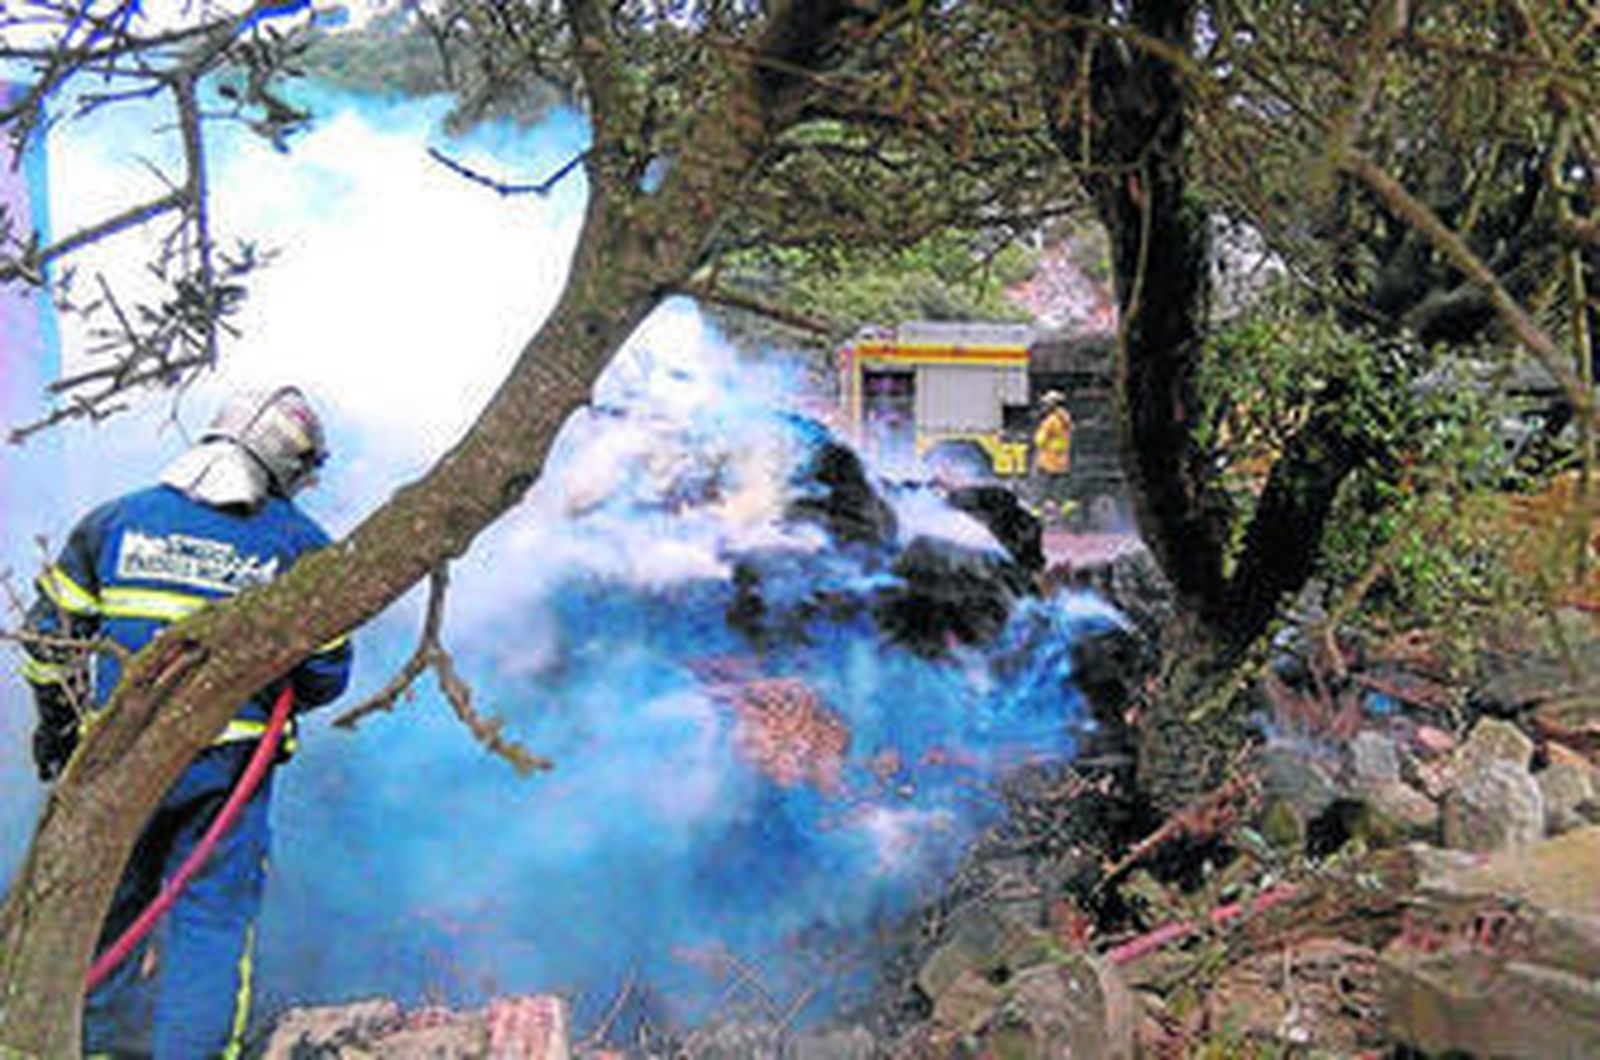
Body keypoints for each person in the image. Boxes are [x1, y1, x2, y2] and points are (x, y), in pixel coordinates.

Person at [20, 385, 354, 1059]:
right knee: (211, 925)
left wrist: (57, 727)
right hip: (225, 776)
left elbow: (49, 641)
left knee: (104, 912)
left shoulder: (114, 521)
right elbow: (325, 675)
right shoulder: (301, 544)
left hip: (115, 764)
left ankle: (90, 1047)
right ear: (287, 463)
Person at [1030, 389, 1074, 524]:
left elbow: (1039, 441)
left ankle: (1036, 515)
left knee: (1040, 489)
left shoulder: (1050, 421)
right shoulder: (1066, 418)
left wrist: (1037, 432)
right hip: (1062, 462)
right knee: (1060, 492)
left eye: (1046, 404)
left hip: (1048, 461)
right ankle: (1068, 514)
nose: (1044, 406)